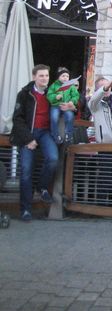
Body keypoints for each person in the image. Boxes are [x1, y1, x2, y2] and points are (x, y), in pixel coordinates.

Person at [10, 64, 59, 222]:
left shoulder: (52, 93)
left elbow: (72, 102)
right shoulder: (24, 94)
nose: (44, 78)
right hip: (28, 134)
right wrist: (28, 139)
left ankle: (41, 186)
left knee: (53, 159)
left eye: (46, 76)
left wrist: (73, 104)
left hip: (45, 133)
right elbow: (17, 119)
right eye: (41, 76)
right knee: (25, 172)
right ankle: (25, 210)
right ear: (34, 77)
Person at [46, 66, 80, 144]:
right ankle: (55, 135)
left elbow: (76, 95)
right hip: (56, 105)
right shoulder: (54, 85)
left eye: (67, 76)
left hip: (67, 105)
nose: (65, 78)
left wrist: (72, 101)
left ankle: (68, 135)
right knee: (54, 118)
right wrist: (55, 97)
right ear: (58, 77)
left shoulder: (71, 86)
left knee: (70, 116)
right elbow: (49, 95)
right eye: (63, 76)